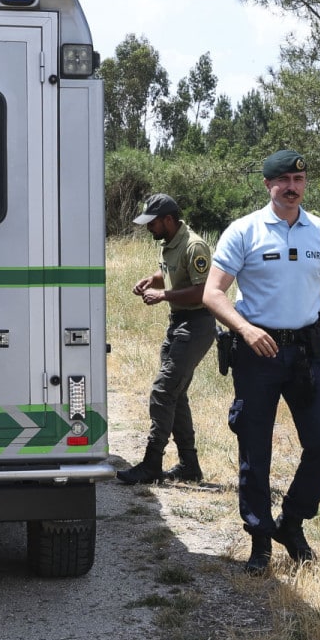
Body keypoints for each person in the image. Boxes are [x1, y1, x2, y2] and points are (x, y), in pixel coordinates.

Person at [201, 149, 320, 572]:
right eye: (284, 180)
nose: (292, 188)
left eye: (299, 180)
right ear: (267, 185)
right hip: (257, 353)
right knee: (256, 449)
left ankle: (290, 522)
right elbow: (212, 293)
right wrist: (246, 330)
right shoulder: (244, 231)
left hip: (306, 355)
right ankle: (259, 540)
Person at [118, 193, 217, 485]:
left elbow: (205, 292)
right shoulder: (169, 243)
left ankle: (151, 464)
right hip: (179, 324)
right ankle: (189, 467)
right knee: (176, 394)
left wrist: (164, 295)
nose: (149, 228)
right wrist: (152, 280)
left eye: (152, 223)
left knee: (163, 392)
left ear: (168, 220)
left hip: (197, 325)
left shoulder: (194, 245)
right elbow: (172, 274)